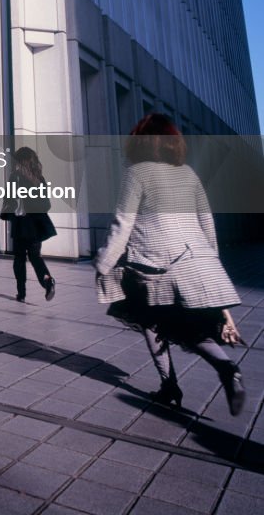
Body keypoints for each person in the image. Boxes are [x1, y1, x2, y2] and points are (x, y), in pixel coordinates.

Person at [95, 114, 245, 414]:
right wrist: (209, 263)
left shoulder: (136, 173)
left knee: (151, 323)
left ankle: (170, 386)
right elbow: (206, 222)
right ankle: (227, 368)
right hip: (197, 263)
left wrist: (103, 262)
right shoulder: (188, 174)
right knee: (189, 328)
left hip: (156, 267)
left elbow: (124, 222)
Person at [1, 147, 56, 302]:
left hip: (21, 223)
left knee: (19, 258)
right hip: (36, 225)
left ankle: (21, 293)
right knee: (35, 257)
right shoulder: (39, 178)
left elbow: (9, 199)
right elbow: (46, 205)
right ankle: (47, 280)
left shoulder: (15, 176)